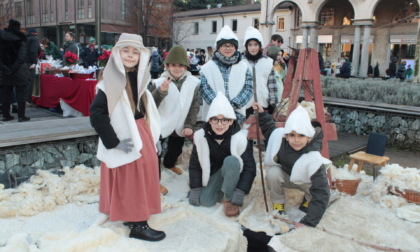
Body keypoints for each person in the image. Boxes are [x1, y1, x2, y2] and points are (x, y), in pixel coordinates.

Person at [89, 33, 165, 241]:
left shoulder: (138, 75)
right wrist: (114, 142)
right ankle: (137, 224)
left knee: (146, 172)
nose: (130, 56)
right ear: (117, 53)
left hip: (140, 129)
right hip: (125, 134)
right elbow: (97, 114)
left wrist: (152, 134)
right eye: (126, 50)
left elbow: (143, 104)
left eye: (135, 52)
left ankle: (137, 211)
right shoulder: (111, 79)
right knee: (131, 177)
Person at [252, 103, 330, 228]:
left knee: (316, 187)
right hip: (288, 175)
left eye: (301, 135)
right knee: (273, 173)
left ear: (309, 138)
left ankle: (308, 200)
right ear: (286, 136)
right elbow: (269, 129)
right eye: (292, 135)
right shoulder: (280, 139)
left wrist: (309, 222)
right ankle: (278, 203)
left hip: (306, 182)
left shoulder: (313, 157)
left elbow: (322, 192)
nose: (296, 140)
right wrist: (261, 113)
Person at [188, 92, 256, 217]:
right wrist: (195, 188)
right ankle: (220, 190)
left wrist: (241, 191)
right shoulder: (201, 137)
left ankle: (228, 198)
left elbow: (249, 167)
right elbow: (195, 164)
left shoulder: (239, 139)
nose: (219, 124)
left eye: (224, 120)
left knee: (231, 161)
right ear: (209, 120)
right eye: (215, 119)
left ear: (231, 121)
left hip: (234, 172)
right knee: (206, 201)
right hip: (214, 173)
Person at [150, 45, 200, 194]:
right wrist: (161, 92)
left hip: (181, 123)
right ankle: (154, 180)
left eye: (180, 66)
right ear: (167, 66)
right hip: (162, 122)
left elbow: (194, 106)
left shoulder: (193, 83)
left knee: (175, 149)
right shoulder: (158, 82)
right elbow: (151, 104)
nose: (177, 69)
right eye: (173, 65)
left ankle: (169, 163)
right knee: (155, 151)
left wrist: (189, 124)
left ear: (186, 67)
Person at [200, 25, 253, 125]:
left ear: (235, 48)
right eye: (224, 45)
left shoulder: (244, 67)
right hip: (213, 115)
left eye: (231, 46)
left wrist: (234, 104)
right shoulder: (207, 68)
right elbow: (204, 89)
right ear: (219, 48)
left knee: (235, 140)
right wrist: (220, 106)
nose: (228, 48)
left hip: (237, 115)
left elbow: (248, 88)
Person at [242, 26, 278, 116]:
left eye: (255, 44)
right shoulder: (240, 62)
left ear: (260, 46)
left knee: (263, 129)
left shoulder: (267, 62)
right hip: (245, 106)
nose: (253, 48)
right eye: (250, 45)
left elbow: (272, 84)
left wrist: (272, 103)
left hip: (263, 104)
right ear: (246, 46)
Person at [0, 19, 31, 122]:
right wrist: (13, 69)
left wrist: (5, 68)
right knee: (21, 94)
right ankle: (21, 116)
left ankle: (5, 115)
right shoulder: (20, 39)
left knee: (6, 94)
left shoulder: (2, 37)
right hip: (19, 72)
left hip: (5, 71)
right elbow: (21, 57)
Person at [25, 28, 41, 104]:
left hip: (22, 63)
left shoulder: (23, 39)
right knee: (30, 82)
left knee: (24, 82)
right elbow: (34, 51)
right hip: (30, 63)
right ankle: (28, 100)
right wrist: (34, 62)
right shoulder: (34, 40)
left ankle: (23, 99)